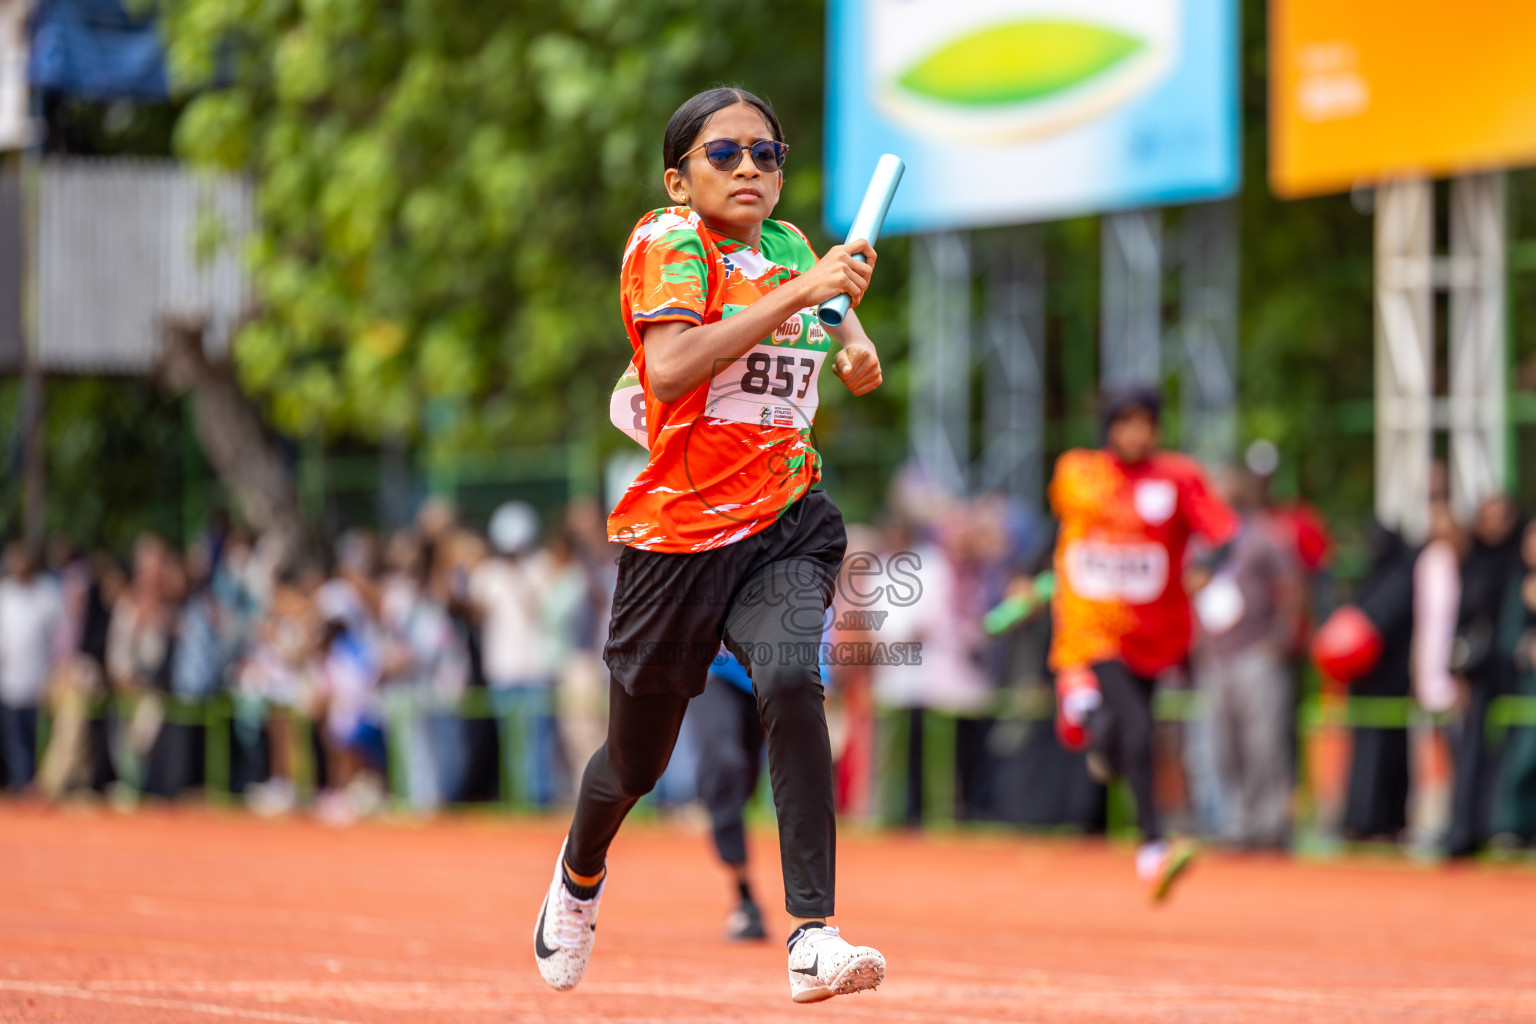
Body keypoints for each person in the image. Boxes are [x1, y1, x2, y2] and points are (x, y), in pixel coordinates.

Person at [533, 87, 887, 1003]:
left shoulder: (790, 248)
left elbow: (831, 321)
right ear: (678, 177)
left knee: (789, 679)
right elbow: (674, 367)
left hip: (784, 522)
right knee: (634, 765)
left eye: (765, 155)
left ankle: (814, 934)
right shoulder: (668, 243)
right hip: (677, 540)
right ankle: (578, 876)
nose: (748, 171)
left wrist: (852, 341)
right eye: (724, 155)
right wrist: (811, 295)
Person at [1046, 383, 1238, 899]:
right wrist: (1030, 572)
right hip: (1093, 628)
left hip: (1155, 635)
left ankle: (1089, 723)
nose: (1135, 433)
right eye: (1124, 421)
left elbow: (1224, 535)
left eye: (1145, 422)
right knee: (1139, 727)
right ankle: (1153, 849)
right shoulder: (1079, 472)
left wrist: (1208, 569)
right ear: (1109, 427)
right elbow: (1062, 531)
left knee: (1123, 740)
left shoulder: (1179, 478)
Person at [1194, 466, 1303, 849]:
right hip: (1215, 656)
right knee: (1223, 744)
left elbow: (1291, 585)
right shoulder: (1204, 541)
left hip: (1256, 652)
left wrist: (1281, 638)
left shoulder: (1264, 536)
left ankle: (1271, 824)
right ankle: (1237, 822)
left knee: (1263, 743)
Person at [0, 542, 62, 792]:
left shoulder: (47, 595)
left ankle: (31, 786)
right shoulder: (5, 594)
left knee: (36, 739)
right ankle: (19, 783)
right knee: (14, 740)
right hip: (10, 681)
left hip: (39, 680)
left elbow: (58, 640)